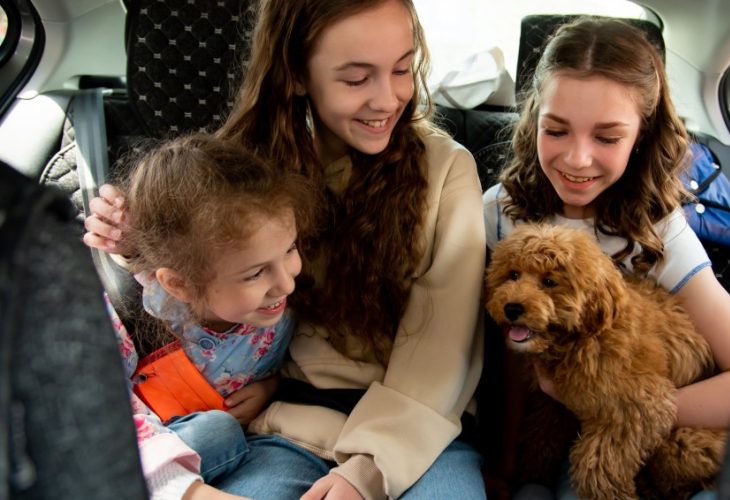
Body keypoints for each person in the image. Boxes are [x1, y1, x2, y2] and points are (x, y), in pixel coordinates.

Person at [83, 1, 487, 499]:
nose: (389, 98)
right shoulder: (243, 170)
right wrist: (134, 245)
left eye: (403, 69)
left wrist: (365, 472)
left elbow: (443, 350)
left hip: (419, 435)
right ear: (296, 74)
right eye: (357, 80)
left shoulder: (447, 169)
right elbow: (199, 282)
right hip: (289, 425)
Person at [482, 18, 730, 499]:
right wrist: (509, 468)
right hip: (542, 438)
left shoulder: (658, 231)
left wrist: (632, 407)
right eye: (557, 130)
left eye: (606, 138)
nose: (577, 158)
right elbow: (507, 357)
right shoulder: (499, 213)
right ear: (532, 121)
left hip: (627, 431)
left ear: (642, 135)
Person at [105, 133, 317, 499]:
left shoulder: (280, 309)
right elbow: (99, 417)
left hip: (229, 448)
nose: (285, 283)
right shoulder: (125, 315)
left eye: (290, 249)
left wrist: (273, 387)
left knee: (220, 433)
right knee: (216, 433)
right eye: (254, 273)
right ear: (178, 284)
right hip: (136, 457)